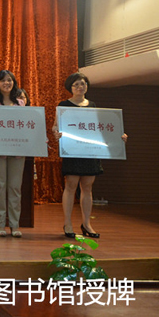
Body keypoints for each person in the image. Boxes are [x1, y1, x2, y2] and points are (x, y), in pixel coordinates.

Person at [53, 72, 127, 239]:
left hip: (90, 151)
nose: (80, 87)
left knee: (87, 187)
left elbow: (101, 128)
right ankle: (68, 223)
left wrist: (119, 136)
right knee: (71, 185)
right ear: (70, 87)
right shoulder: (64, 105)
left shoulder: (93, 105)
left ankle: (86, 224)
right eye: (76, 84)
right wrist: (56, 133)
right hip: (73, 150)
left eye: (83, 84)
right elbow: (55, 126)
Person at [0, 70, 26, 238]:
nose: (6, 83)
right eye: (3, 80)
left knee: (15, 187)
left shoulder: (21, 103)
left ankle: (15, 225)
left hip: (17, 151)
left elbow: (27, 125)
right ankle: (0, 224)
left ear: (13, 83)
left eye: (9, 80)